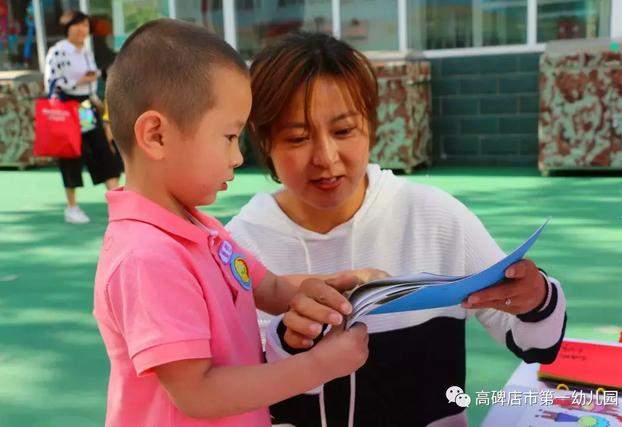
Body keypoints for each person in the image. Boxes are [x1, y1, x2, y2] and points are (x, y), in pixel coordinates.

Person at [226, 32, 568, 426]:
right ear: (264, 141)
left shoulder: (434, 217)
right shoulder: (240, 247)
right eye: (298, 137)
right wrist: (289, 343)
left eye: (343, 131)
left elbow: (538, 344)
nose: (325, 157)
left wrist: (537, 297)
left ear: (370, 126)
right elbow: (233, 394)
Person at [93, 20, 383, 427]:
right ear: (156, 136)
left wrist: (342, 285)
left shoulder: (199, 226)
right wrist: (318, 366)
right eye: (229, 137)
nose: (238, 158)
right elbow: (198, 392)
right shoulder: (147, 257)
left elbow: (269, 288)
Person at [44, 10, 122, 224]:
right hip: (66, 107)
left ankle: (116, 203)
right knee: (70, 155)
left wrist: (94, 96)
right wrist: (78, 82)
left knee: (101, 148)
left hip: (85, 106)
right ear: (67, 28)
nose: (82, 30)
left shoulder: (86, 51)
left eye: (86, 26)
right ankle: (72, 207)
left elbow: (89, 81)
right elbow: (51, 82)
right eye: (77, 25)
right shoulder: (58, 51)